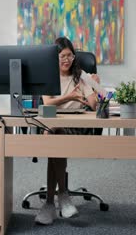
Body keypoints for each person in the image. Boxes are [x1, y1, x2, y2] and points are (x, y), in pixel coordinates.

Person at [35, 37, 99, 225]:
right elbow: (47, 102)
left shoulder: (81, 75)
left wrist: (94, 86)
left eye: (70, 55)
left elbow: (94, 105)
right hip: (52, 127)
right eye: (63, 56)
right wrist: (70, 96)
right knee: (54, 132)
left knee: (55, 135)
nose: (67, 60)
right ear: (54, 57)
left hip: (76, 127)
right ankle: (62, 197)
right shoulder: (48, 75)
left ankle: (49, 203)